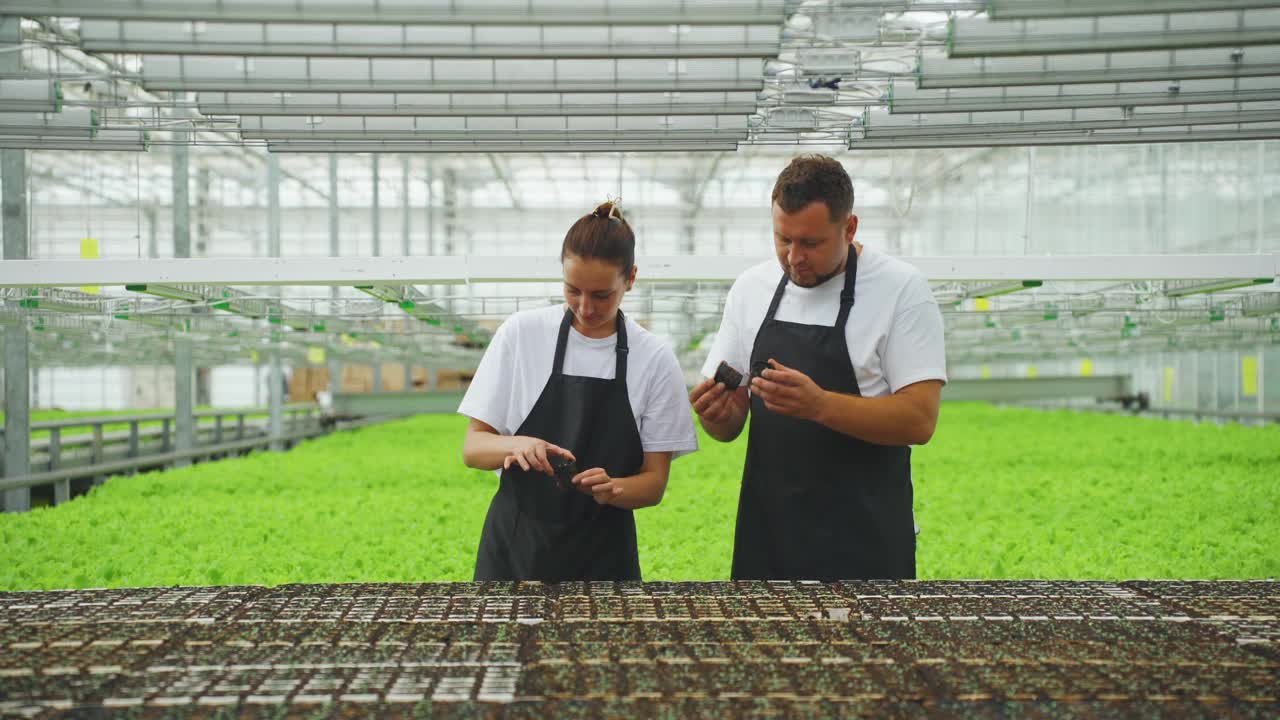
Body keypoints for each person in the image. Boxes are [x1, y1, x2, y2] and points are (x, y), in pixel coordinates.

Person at [690, 155, 946, 581]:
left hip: (865, 546)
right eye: (781, 239)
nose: (793, 258)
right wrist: (719, 416)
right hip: (767, 541)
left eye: (810, 243)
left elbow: (919, 420)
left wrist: (820, 405)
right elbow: (729, 425)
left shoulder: (900, 289)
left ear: (849, 228)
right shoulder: (751, 289)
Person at [460, 201, 698, 582]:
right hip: (515, 549)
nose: (585, 308)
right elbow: (473, 449)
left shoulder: (653, 358)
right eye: (573, 290)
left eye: (602, 295)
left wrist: (615, 488)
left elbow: (653, 484)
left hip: (603, 555)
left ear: (631, 278)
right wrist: (515, 445)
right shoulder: (521, 335)